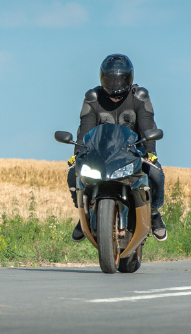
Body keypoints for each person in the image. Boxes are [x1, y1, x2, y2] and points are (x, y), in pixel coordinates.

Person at [67, 54, 167, 242]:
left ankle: (153, 213)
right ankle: (85, 215)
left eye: (119, 79)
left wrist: (150, 153)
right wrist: (78, 154)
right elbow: (85, 129)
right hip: (100, 156)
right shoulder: (93, 98)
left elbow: (147, 126)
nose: (115, 84)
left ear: (128, 78)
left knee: (155, 174)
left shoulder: (139, 97)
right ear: (102, 78)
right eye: (110, 79)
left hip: (133, 153)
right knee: (73, 174)